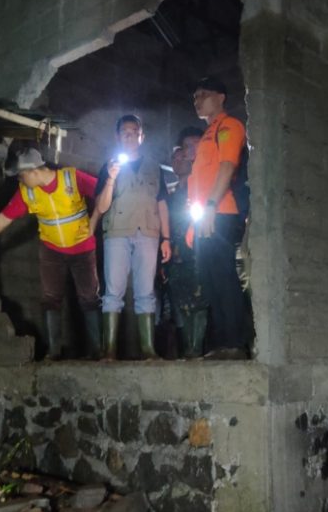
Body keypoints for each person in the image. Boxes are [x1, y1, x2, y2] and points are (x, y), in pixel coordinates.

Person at [0, 146, 101, 360]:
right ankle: (54, 351)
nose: (20, 180)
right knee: (50, 299)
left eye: (20, 176)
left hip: (83, 248)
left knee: (89, 298)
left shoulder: (71, 178)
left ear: (33, 172)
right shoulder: (27, 192)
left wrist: (94, 221)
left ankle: (97, 351)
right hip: (51, 250)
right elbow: (4, 218)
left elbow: (103, 195)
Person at [94, 114, 171, 360]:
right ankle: (109, 350)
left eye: (135, 131)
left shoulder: (155, 167)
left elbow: (162, 204)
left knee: (146, 291)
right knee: (113, 291)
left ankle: (148, 349)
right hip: (117, 232)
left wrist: (166, 239)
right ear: (118, 136)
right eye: (125, 132)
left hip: (148, 233)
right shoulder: (109, 166)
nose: (130, 135)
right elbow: (102, 206)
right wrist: (111, 178)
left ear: (142, 136)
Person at [188, 76, 249, 360]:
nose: (197, 99)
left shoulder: (229, 126)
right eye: (195, 96)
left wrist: (211, 206)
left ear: (221, 97)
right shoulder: (206, 135)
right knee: (211, 280)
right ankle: (222, 342)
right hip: (206, 217)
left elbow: (227, 165)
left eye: (204, 94)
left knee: (223, 276)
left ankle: (236, 342)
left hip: (222, 212)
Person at [165, 128, 208, 358]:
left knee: (198, 299)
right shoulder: (171, 193)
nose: (178, 159)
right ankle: (186, 350)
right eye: (175, 156)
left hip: (195, 252)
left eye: (183, 154)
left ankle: (197, 348)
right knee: (179, 303)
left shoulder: (199, 187)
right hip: (174, 254)